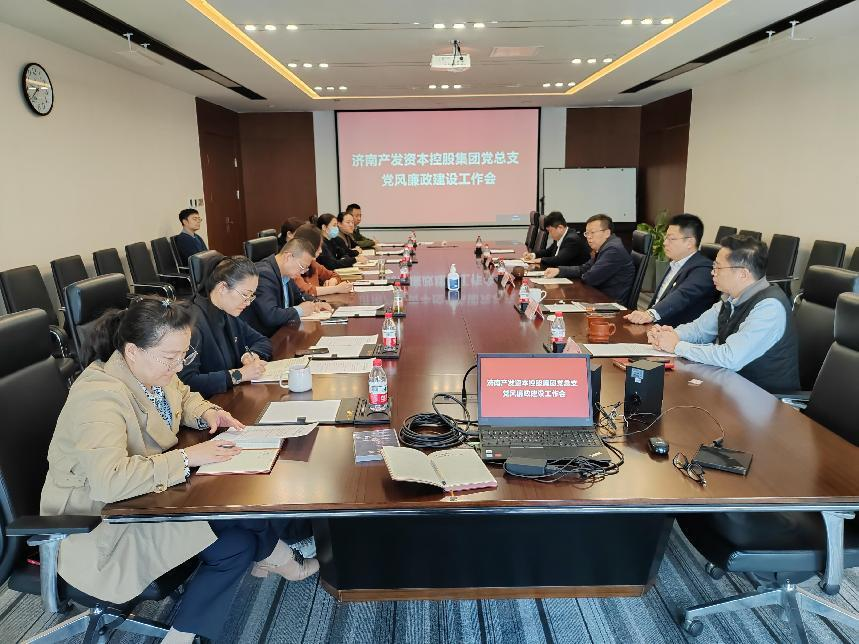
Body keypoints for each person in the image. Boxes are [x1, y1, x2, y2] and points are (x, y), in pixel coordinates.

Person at [39, 297, 318, 644]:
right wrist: (188, 457)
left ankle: (182, 634)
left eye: (182, 356)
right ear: (132, 351)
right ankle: (282, 561)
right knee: (234, 520)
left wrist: (208, 413)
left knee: (238, 539)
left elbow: (183, 396)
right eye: (170, 358)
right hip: (101, 525)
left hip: (144, 501)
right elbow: (109, 481)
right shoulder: (99, 397)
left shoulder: (152, 371)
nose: (177, 366)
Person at [648, 235, 800, 393]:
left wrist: (677, 346)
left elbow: (730, 357)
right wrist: (668, 335)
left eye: (718, 268)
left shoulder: (769, 307)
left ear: (743, 274)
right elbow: (699, 330)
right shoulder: (731, 297)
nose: (712, 273)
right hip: (732, 387)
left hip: (766, 398)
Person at [179, 256, 273, 398]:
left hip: (231, 396)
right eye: (245, 295)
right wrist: (239, 375)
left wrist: (251, 355)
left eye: (251, 296)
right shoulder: (193, 324)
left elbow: (262, 341)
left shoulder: (227, 312)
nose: (248, 302)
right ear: (222, 288)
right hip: (208, 404)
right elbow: (186, 382)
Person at [625, 213, 718, 327]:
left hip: (676, 332)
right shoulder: (676, 263)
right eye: (666, 238)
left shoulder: (704, 270)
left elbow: (682, 296)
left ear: (689, 242)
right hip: (653, 326)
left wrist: (650, 314)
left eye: (671, 239)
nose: (665, 243)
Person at [241, 237, 332, 336]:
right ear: (288, 257)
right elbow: (270, 315)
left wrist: (316, 303)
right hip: (267, 338)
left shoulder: (286, 273)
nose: (302, 272)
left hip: (285, 333)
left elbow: (300, 296)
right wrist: (300, 310)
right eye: (302, 267)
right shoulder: (264, 275)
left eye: (306, 268)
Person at [544, 214, 635, 304]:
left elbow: (590, 278)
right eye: (587, 233)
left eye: (592, 232)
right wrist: (559, 271)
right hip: (598, 297)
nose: (589, 237)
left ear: (607, 233)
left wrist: (583, 274)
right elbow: (585, 268)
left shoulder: (613, 250)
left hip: (609, 304)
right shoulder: (606, 247)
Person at [290, 222, 354, 297]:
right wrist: (336, 289)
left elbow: (334, 275)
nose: (320, 251)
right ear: (308, 246)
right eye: (318, 246)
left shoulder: (313, 263)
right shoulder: (292, 267)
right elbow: (306, 291)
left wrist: (333, 280)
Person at [522, 211, 589, 268]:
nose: (549, 234)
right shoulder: (561, 236)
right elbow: (548, 252)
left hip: (573, 278)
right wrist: (533, 255)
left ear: (560, 228)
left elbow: (559, 259)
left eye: (550, 231)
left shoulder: (572, 240)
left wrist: (540, 260)